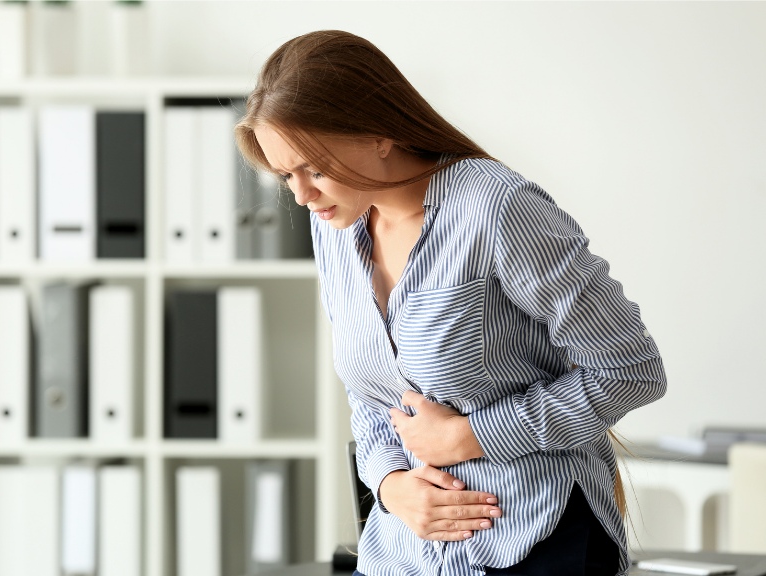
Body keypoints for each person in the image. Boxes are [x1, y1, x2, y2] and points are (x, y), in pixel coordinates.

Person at [235, 30, 667, 576]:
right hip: (404, 549)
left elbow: (631, 370)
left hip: (538, 536)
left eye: (314, 169)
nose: (301, 196)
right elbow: (369, 390)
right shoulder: (336, 225)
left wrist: (471, 436)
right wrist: (390, 487)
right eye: (285, 176)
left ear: (379, 134)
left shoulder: (495, 210)